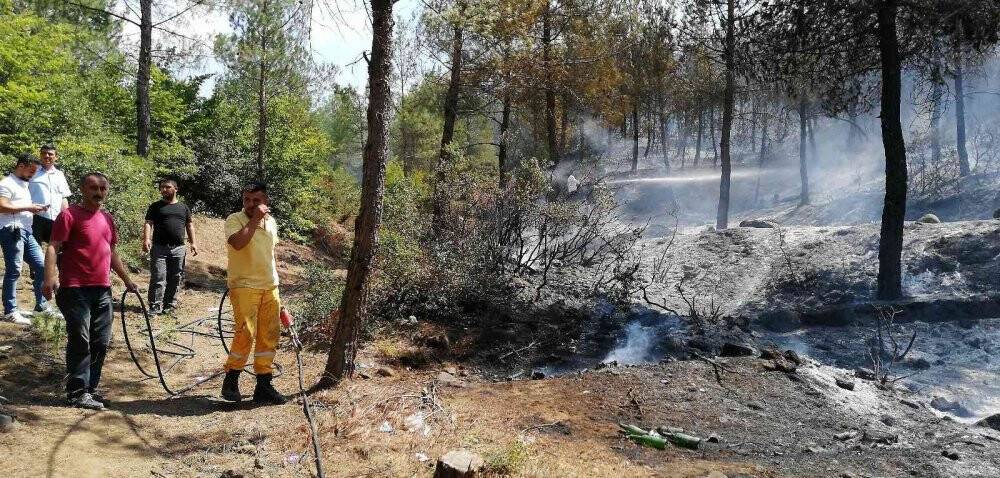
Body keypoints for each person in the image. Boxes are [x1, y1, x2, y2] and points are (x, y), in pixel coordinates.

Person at [42, 172, 139, 410]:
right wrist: (48, 279)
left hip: (102, 289)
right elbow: (54, 247)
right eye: (94, 188)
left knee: (100, 341)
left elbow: (111, 252)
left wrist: (127, 280)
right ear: (83, 189)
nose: (99, 193)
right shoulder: (69, 215)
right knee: (80, 340)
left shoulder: (107, 218)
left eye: (103, 188)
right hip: (75, 289)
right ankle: (76, 392)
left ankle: (91, 389)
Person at [220, 182, 287, 405]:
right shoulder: (234, 219)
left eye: (256, 200)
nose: (250, 204)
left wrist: (278, 286)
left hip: (270, 286)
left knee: (269, 335)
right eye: (246, 200)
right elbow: (238, 243)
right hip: (244, 285)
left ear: (265, 201)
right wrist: (255, 219)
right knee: (245, 332)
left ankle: (264, 385)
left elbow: (270, 254)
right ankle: (231, 379)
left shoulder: (272, 223)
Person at [0, 153, 55, 325]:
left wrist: (34, 208)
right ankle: (10, 310)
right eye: (31, 171)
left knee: (41, 267)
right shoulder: (6, 183)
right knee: (14, 270)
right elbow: (1, 206)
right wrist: (29, 207)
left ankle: (41, 306)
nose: (33, 174)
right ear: (21, 165)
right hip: (11, 231)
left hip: (26, 232)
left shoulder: (23, 184)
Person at [143, 179, 198, 315]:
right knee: (158, 277)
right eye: (162, 187)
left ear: (176, 189)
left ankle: (169, 306)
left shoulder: (183, 208)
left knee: (176, 277)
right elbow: (148, 223)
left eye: (167, 187)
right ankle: (155, 306)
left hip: (178, 248)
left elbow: (189, 225)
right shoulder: (156, 206)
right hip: (159, 248)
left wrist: (193, 243)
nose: (164, 190)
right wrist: (146, 239)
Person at [29, 144, 72, 244]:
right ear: (40, 155)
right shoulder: (32, 172)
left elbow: (63, 197)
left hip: (55, 219)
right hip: (35, 218)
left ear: (56, 157)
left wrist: (66, 217)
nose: (47, 156)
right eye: (44, 153)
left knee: (57, 250)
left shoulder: (60, 175)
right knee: (35, 252)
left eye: (50, 154)